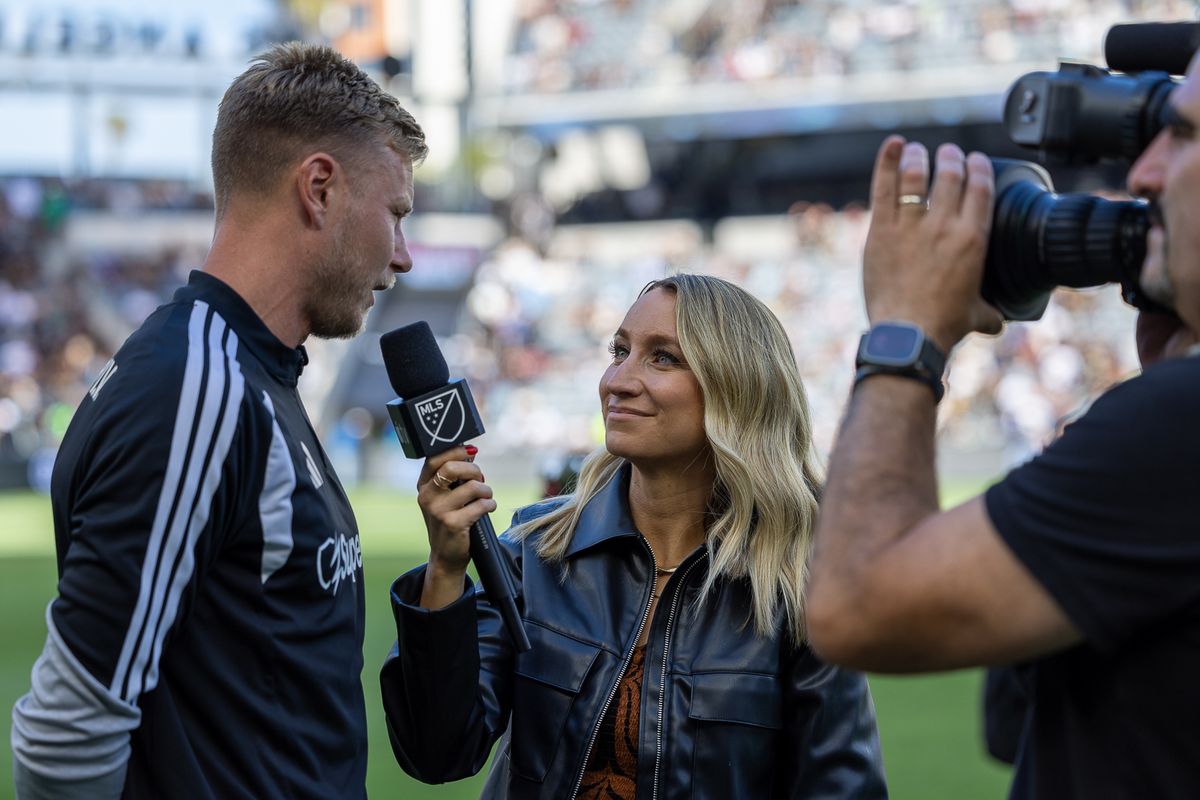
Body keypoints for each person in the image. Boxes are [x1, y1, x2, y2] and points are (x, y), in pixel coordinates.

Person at [11, 42, 425, 798]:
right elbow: (67, 734)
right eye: (395, 213)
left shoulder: (252, 370)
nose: (403, 257)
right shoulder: (197, 387)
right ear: (321, 189)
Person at [805, 52, 1200, 799]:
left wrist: (905, 330)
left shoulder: (1181, 427)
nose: (1142, 176)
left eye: (1180, 136)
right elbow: (1014, 712)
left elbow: (854, 604)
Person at [380, 274, 887, 799]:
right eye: (618, 350)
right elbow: (436, 752)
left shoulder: (797, 583)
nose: (618, 380)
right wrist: (444, 570)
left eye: (662, 357)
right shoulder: (535, 549)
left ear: (738, 387)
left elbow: (841, 788)